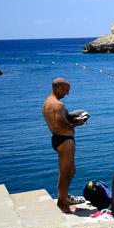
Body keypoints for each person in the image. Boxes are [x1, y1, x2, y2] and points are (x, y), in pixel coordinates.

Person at [41, 77, 86, 212]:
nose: (67, 93)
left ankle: (63, 199)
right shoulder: (58, 105)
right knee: (65, 173)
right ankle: (64, 206)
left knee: (71, 171)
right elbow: (62, 124)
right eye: (66, 90)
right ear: (59, 88)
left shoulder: (46, 103)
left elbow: (58, 122)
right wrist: (78, 122)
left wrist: (71, 117)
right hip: (64, 140)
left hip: (57, 139)